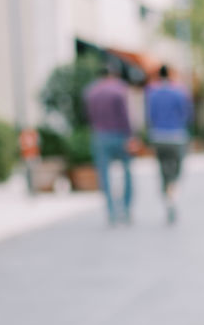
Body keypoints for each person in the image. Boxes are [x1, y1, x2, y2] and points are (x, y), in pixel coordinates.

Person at [83, 59, 135, 225]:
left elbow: (89, 117)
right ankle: (125, 208)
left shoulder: (91, 91)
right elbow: (125, 116)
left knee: (104, 174)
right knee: (126, 172)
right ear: (114, 74)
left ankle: (111, 211)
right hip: (120, 135)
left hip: (100, 136)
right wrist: (131, 136)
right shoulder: (120, 89)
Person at [145, 64, 194, 224]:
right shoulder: (180, 92)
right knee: (176, 172)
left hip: (158, 136)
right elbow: (187, 115)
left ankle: (168, 198)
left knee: (163, 171)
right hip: (176, 136)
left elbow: (149, 116)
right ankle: (172, 194)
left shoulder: (151, 92)